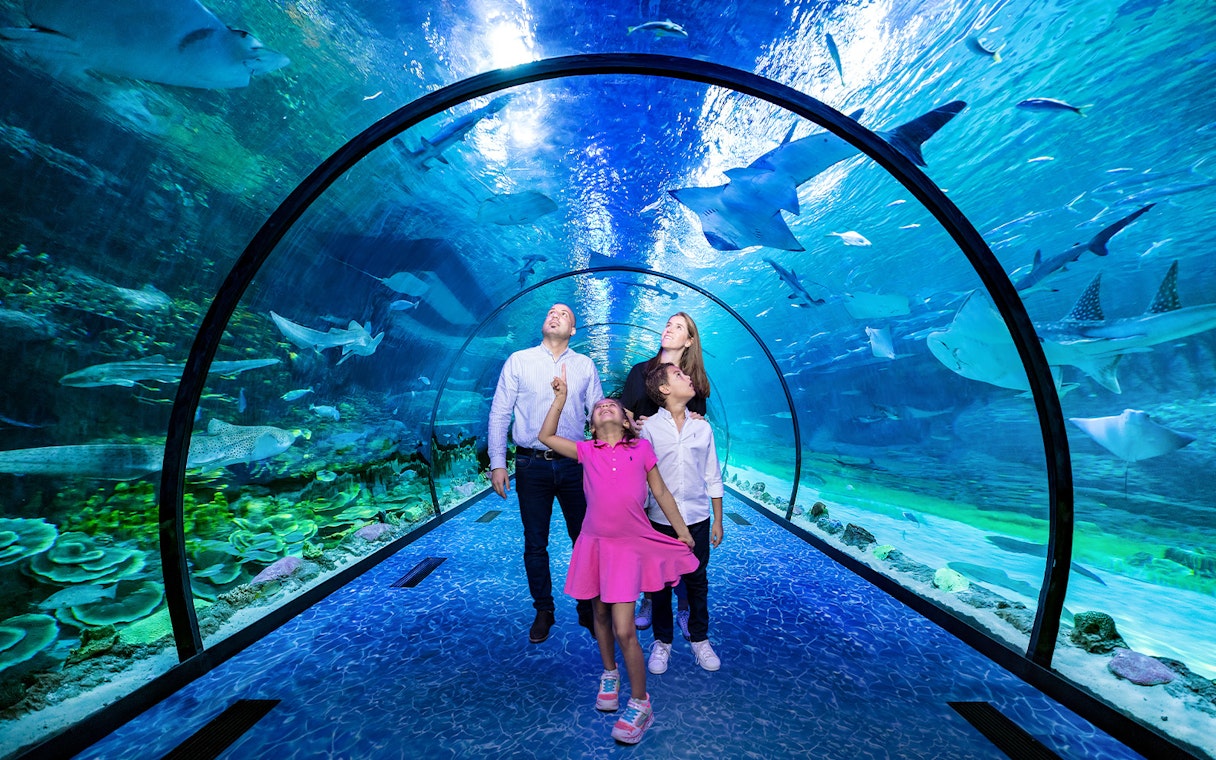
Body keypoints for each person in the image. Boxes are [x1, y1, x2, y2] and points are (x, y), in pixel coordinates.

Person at [539, 367, 698, 746]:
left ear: (628, 422)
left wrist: (682, 530)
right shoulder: (584, 451)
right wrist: (561, 399)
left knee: (625, 627)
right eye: (599, 408)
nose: (606, 407)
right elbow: (542, 436)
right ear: (592, 426)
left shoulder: (641, 449)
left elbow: (660, 493)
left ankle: (641, 702)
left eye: (614, 406)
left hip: (629, 547)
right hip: (594, 546)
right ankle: (609, 672)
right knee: (598, 614)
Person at [488, 303, 604, 644]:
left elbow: (598, 415)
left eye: (564, 314)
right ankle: (544, 609)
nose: (554, 314)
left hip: (573, 463)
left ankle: (588, 606)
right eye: (550, 311)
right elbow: (499, 413)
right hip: (529, 464)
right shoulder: (519, 361)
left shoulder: (584, 365)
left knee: (584, 539)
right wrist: (498, 462)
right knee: (535, 542)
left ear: (572, 331)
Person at [619, 312, 711, 631]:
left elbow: (698, 425)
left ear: (689, 340)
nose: (668, 329)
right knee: (650, 538)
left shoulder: (692, 384)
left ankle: (683, 605)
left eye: (678, 327)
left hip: (680, 476)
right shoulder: (640, 371)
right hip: (643, 471)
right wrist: (636, 425)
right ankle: (650, 596)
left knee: (684, 542)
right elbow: (624, 415)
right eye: (667, 323)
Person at [640, 362, 725, 674]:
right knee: (660, 583)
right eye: (679, 376)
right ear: (664, 389)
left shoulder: (702, 427)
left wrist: (718, 519)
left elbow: (712, 475)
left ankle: (700, 639)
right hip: (659, 520)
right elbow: (641, 477)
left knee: (697, 580)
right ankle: (662, 641)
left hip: (699, 517)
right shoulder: (648, 429)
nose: (688, 378)